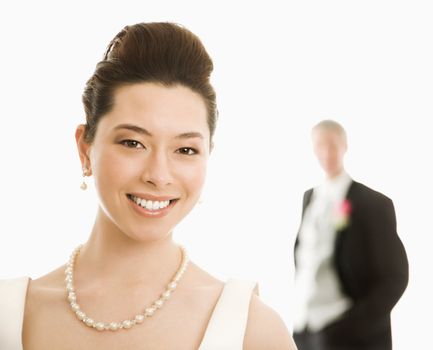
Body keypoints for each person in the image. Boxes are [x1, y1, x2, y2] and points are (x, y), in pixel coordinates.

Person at [0, 22, 297, 350]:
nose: (159, 175)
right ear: (86, 149)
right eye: (132, 143)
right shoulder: (10, 315)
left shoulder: (252, 330)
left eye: (185, 150)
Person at [293, 120, 408, 350]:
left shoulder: (372, 203)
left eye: (333, 145)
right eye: (320, 146)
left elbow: (395, 277)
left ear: (345, 146)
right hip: (305, 332)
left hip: (347, 335)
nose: (327, 153)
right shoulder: (309, 198)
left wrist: (354, 325)